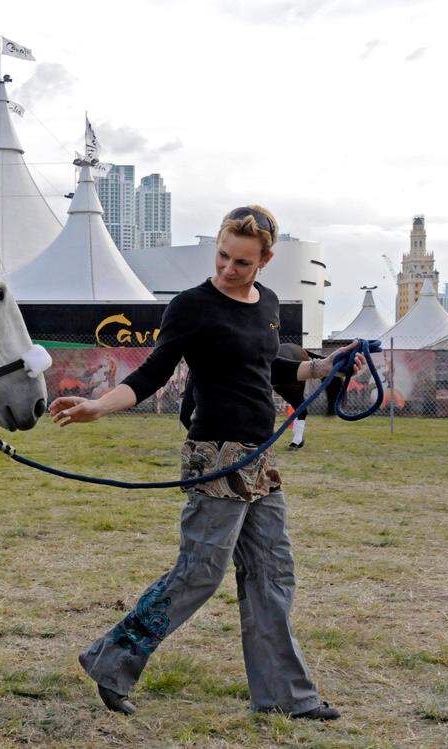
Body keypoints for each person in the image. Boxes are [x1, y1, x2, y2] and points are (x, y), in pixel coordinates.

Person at [49, 205, 365, 721]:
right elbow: (153, 371)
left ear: (265, 260)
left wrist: (322, 366)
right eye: (223, 255)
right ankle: (111, 660)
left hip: (259, 459)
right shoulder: (192, 306)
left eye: (242, 261)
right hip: (214, 457)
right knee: (199, 573)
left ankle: (286, 696)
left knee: (272, 572)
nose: (228, 268)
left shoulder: (267, 303)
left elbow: (270, 364)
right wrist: (97, 406)